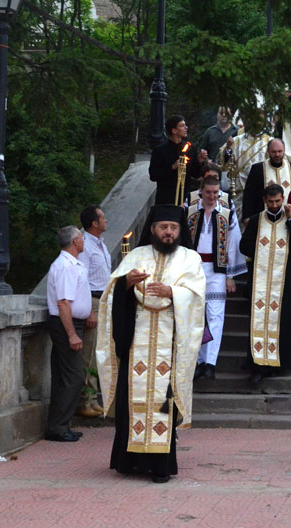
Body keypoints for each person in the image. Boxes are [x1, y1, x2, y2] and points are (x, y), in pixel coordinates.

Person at [96, 205, 205, 483]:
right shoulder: (136, 255)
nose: (168, 232)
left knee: (162, 405)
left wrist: (173, 292)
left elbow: (196, 298)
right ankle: (128, 461)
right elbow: (111, 296)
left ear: (180, 231)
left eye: (173, 227)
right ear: (153, 229)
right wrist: (125, 286)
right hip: (136, 347)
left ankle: (160, 466)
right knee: (132, 401)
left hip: (170, 347)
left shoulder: (190, 259)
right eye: (163, 227)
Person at [239, 184, 291, 384]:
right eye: (270, 202)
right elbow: (243, 246)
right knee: (259, 321)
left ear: (283, 199)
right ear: (264, 201)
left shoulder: (290, 219)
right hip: (260, 282)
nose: (274, 205)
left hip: (284, 282)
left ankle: (280, 362)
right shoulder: (255, 221)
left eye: (278, 201)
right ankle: (257, 366)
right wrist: (263, 252)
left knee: (283, 321)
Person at [187, 178, 246, 381]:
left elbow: (233, 243)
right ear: (201, 192)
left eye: (215, 192)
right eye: (209, 192)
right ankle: (196, 361)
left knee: (215, 315)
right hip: (192, 268)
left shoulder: (226, 214)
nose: (212, 196)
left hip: (217, 269)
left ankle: (210, 362)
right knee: (194, 314)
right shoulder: (190, 212)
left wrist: (230, 275)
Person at [45, 225, 93, 442]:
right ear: (75, 242)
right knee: (73, 376)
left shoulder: (73, 264)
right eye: (82, 238)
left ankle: (61, 424)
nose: (84, 241)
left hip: (74, 322)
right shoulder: (65, 266)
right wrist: (72, 334)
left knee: (66, 375)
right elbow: (63, 302)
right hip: (66, 324)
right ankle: (58, 426)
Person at [76, 206, 111, 418]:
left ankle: (94, 397)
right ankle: (84, 400)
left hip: (104, 300)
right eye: (102, 218)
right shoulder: (85, 246)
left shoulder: (101, 244)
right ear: (94, 223)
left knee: (99, 353)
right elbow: (82, 278)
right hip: (93, 300)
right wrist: (89, 310)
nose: (106, 221)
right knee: (88, 353)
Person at [241, 138, 291, 224]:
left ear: (284, 150)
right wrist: (247, 216)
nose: (277, 154)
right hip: (262, 217)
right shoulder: (258, 169)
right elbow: (249, 195)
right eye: (273, 152)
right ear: (268, 151)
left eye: (280, 151)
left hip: (288, 217)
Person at [149, 115, 206, 207]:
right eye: (182, 125)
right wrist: (172, 167)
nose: (186, 127)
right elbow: (153, 175)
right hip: (166, 198)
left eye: (185, 125)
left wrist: (200, 161)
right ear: (174, 130)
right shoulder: (160, 150)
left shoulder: (190, 148)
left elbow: (195, 174)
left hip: (185, 197)